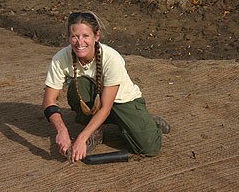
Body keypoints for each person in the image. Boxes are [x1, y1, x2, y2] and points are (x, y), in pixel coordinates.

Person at [42, 11, 170, 162]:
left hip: (122, 102)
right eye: (75, 36)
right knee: (78, 86)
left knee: (149, 148)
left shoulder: (111, 58)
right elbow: (48, 102)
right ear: (68, 37)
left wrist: (81, 138)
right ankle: (96, 131)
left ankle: (146, 121)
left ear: (96, 36)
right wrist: (61, 131)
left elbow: (106, 108)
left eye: (85, 36)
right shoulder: (60, 58)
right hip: (98, 99)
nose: (79, 42)